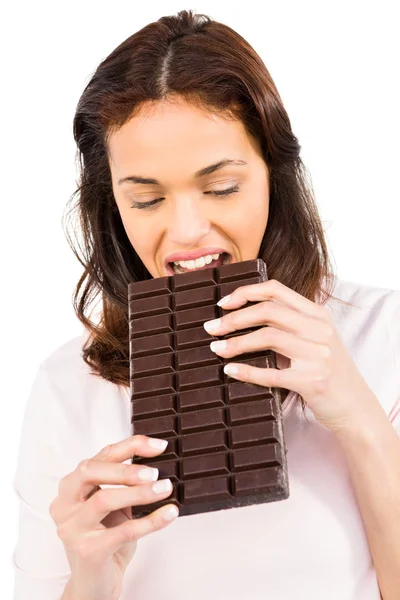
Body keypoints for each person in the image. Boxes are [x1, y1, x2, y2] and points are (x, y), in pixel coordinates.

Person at [12, 9, 400, 600]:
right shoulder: (70, 386)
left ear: (275, 174)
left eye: (221, 187)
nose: (189, 230)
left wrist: (361, 420)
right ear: (110, 205)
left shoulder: (384, 335)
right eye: (146, 200)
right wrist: (94, 574)